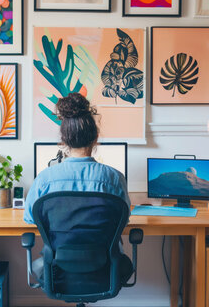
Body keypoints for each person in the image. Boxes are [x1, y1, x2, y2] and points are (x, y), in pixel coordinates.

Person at [23, 92, 132, 283]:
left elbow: (30, 218)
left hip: (58, 268)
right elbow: (123, 218)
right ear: (96, 138)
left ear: (63, 140)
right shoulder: (115, 178)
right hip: (105, 268)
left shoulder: (45, 179)